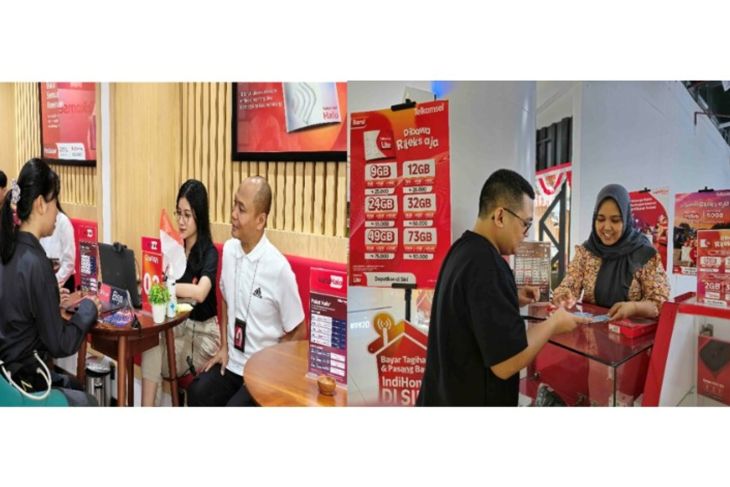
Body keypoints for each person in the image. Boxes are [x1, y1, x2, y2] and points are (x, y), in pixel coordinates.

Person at [416, 169, 590, 407]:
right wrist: (553, 323)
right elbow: (507, 363)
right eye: (525, 224)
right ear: (500, 216)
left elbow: (470, 310)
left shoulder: (463, 250)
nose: (525, 234)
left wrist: (510, 298)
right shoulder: (488, 265)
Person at [187, 176, 305, 406]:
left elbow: (300, 329)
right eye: (234, 204)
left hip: (262, 373)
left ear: (260, 220)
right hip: (232, 365)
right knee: (196, 393)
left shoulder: (278, 268)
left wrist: (274, 367)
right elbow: (225, 298)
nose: (233, 214)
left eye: (241, 209)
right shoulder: (229, 251)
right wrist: (224, 347)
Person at [0, 158, 99, 406]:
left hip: (7, 379)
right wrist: (89, 309)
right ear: (40, 204)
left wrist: (53, 302)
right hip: (24, 387)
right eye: (55, 201)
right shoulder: (36, 263)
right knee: (89, 402)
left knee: (74, 386)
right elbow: (60, 344)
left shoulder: (9, 250)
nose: (58, 212)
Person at [140, 180, 222, 406]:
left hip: (203, 335)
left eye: (188, 215)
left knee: (151, 353)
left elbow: (200, 292)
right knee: (149, 345)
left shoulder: (209, 253)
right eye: (178, 213)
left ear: (199, 216)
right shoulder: (174, 250)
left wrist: (167, 286)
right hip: (178, 327)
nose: (181, 221)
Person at [552, 184, 670, 320]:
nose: (607, 227)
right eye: (601, 219)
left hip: (630, 331)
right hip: (592, 330)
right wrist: (563, 296)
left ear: (626, 219)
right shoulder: (586, 252)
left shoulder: (644, 254)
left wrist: (634, 308)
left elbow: (660, 302)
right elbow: (568, 286)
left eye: (615, 220)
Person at [40, 200, 76, 292]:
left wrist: (53, 281)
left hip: (63, 280)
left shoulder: (63, 221)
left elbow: (69, 263)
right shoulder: (40, 222)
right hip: (45, 279)